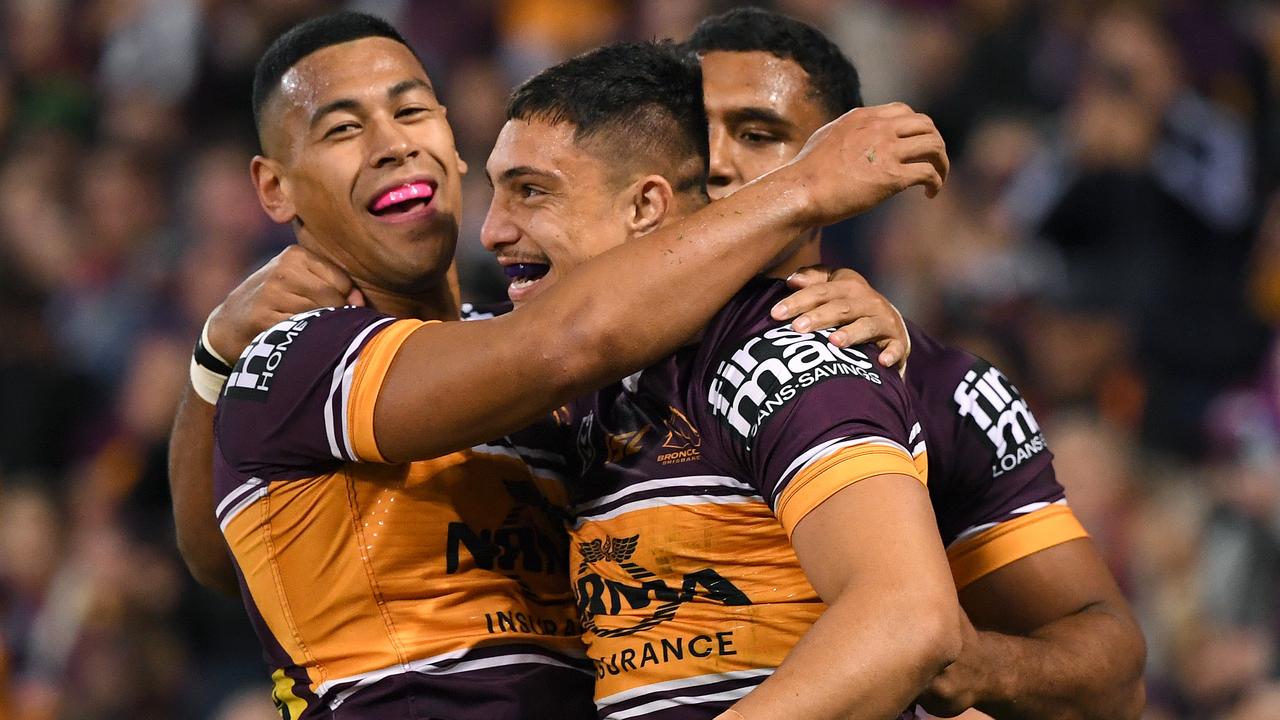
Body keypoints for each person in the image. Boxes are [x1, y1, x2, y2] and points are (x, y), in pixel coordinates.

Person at [171, 11, 949, 719]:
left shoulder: (579, 381)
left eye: (411, 110)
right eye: (343, 129)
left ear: (448, 134)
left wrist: (810, 302)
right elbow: (568, 340)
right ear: (275, 187)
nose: (392, 142)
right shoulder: (299, 354)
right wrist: (801, 187)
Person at [685, 7, 1146, 718]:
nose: (715, 162)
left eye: (758, 134)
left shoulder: (937, 385)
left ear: (840, 174)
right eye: (693, 133)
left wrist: (976, 664)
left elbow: (1114, 674)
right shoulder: (578, 358)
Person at [481, 42, 959, 719]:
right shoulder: (581, 381)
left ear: (646, 207)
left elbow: (909, 617)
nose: (491, 230)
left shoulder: (782, 352)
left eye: (531, 191)